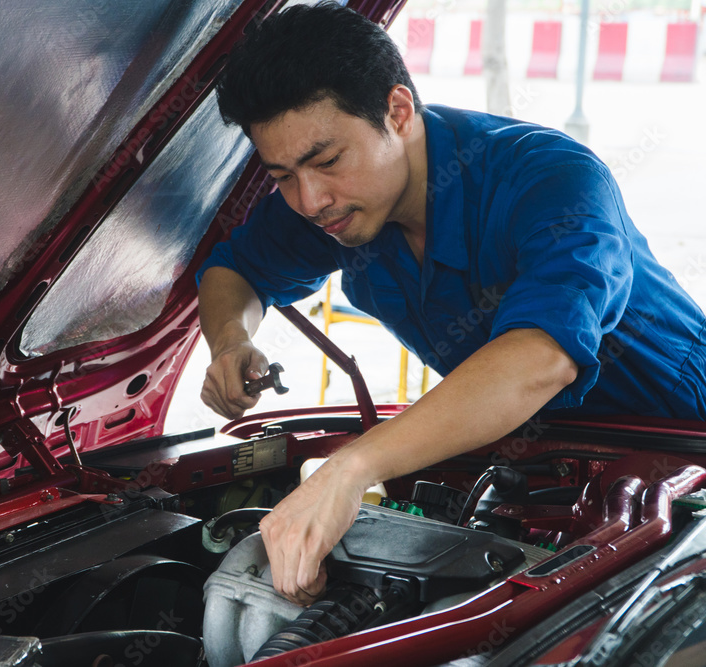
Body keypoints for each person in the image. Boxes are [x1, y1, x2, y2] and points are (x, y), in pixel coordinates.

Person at [195, 2, 706, 607]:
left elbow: (542, 356)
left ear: (398, 110)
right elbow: (234, 270)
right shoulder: (338, 204)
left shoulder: (551, 178)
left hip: (684, 455)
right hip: (525, 464)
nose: (308, 200)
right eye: (281, 176)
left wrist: (350, 470)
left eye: (327, 161)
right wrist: (231, 339)